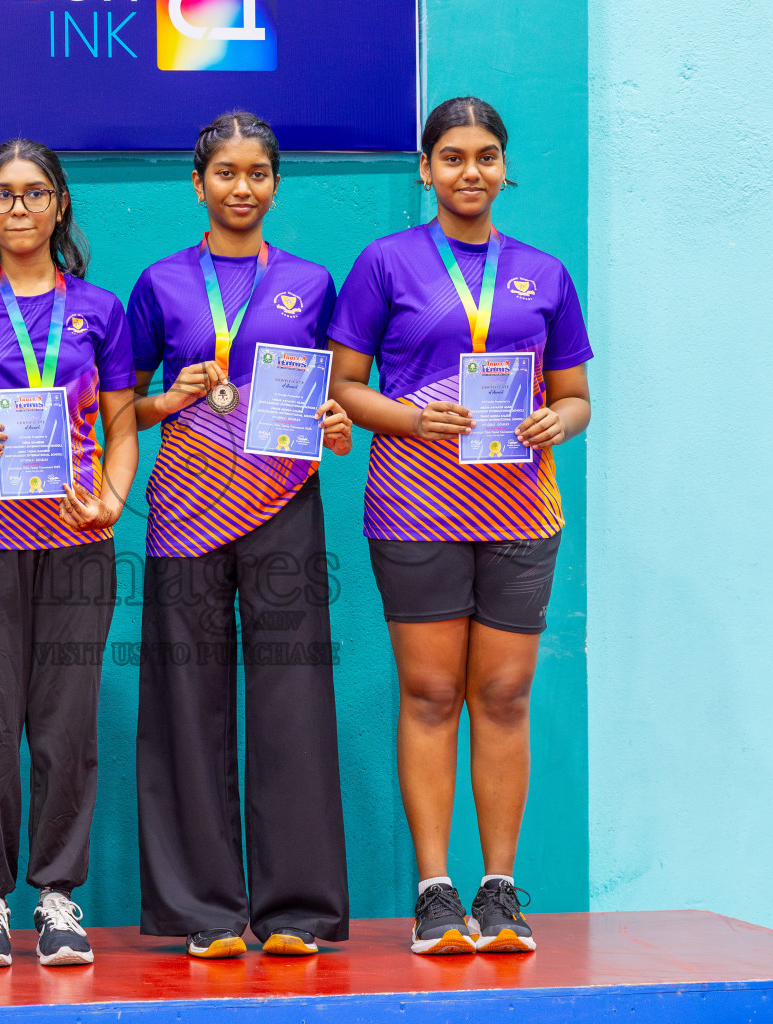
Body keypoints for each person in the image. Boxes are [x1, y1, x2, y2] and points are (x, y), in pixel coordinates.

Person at [328, 97, 594, 955]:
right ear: (426, 169)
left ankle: (500, 888)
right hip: (415, 509)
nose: (469, 171)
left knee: (505, 696)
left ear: (503, 167)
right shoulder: (386, 262)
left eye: (485, 156)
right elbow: (345, 386)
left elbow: (576, 396)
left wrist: (560, 421)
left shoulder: (544, 272)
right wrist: (411, 418)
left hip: (521, 510)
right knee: (433, 695)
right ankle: (435, 892)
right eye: (452, 156)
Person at [128, 111, 354, 960]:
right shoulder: (159, 283)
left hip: (283, 500)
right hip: (187, 504)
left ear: (276, 185)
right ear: (198, 185)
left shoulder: (311, 281)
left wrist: (336, 423)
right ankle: (206, 910)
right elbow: (125, 407)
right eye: (225, 173)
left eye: (257, 173)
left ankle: (297, 910)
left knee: (292, 696)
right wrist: (169, 399)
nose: (241, 187)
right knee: (186, 701)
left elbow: (333, 395)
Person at [0, 139, 139, 969]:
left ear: (60, 205)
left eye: (35, 192)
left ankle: (56, 897)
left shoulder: (101, 310)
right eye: (4, 194)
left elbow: (122, 425)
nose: (20, 207)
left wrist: (112, 499)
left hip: (78, 540)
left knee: (66, 723)